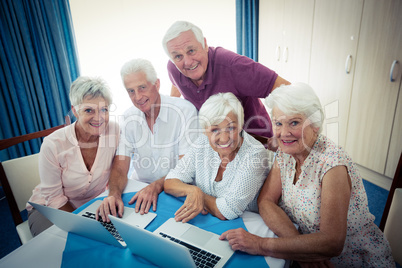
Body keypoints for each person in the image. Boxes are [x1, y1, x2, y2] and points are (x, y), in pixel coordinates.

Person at [220, 83, 395, 267]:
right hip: (311, 256)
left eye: (294, 122)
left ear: (315, 125)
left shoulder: (332, 164)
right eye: (278, 123)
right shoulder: (286, 151)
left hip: (351, 259)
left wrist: (261, 244)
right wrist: (302, 251)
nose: (284, 133)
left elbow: (332, 243)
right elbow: (266, 201)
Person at [96, 58, 199, 222]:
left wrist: (156, 186)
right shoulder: (129, 117)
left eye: (142, 88)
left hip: (177, 190)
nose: (137, 97)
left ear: (157, 84)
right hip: (140, 189)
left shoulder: (184, 111)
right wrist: (114, 194)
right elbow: (121, 166)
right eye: (130, 91)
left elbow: (186, 167)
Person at [162, 20, 290, 149]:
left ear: (204, 44)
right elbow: (176, 85)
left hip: (255, 142)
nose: (188, 62)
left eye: (191, 51)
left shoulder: (234, 66)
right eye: (178, 56)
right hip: (218, 142)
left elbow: (287, 90)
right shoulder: (174, 68)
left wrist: (281, 133)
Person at [26, 76, 119, 236]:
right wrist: (83, 225)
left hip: (92, 205)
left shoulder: (114, 131)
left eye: (104, 109)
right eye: (89, 110)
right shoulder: (53, 144)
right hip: (49, 209)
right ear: (75, 110)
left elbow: (119, 169)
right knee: (67, 249)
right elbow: (54, 199)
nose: (99, 118)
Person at [164, 92, 270, 223]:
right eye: (215, 130)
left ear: (241, 125)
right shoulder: (202, 142)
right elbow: (170, 182)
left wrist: (200, 197)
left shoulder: (255, 154)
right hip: (208, 217)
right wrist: (192, 190)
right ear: (204, 130)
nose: (224, 138)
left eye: (231, 128)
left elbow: (228, 211)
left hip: (247, 222)